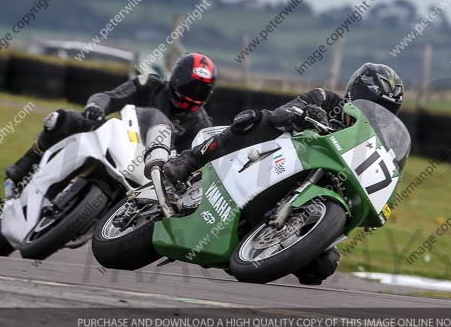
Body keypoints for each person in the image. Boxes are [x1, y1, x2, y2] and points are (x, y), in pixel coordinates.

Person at [162, 62, 405, 285]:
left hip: (315, 194)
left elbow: (386, 174)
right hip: (273, 158)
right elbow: (283, 113)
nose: (375, 113)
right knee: (257, 120)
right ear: (357, 94)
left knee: (323, 266)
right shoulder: (327, 100)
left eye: (385, 110)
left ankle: (260, 247)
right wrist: (304, 114)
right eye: (373, 104)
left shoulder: (377, 147)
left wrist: (382, 205)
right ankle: (190, 160)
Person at [3, 52, 217, 192]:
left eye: (200, 90)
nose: (192, 93)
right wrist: (96, 107)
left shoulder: (201, 126)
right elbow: (111, 97)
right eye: (189, 86)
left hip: (146, 172)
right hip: (115, 138)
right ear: (176, 77)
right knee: (60, 119)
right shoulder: (149, 85)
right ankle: (18, 174)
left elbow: (192, 162)